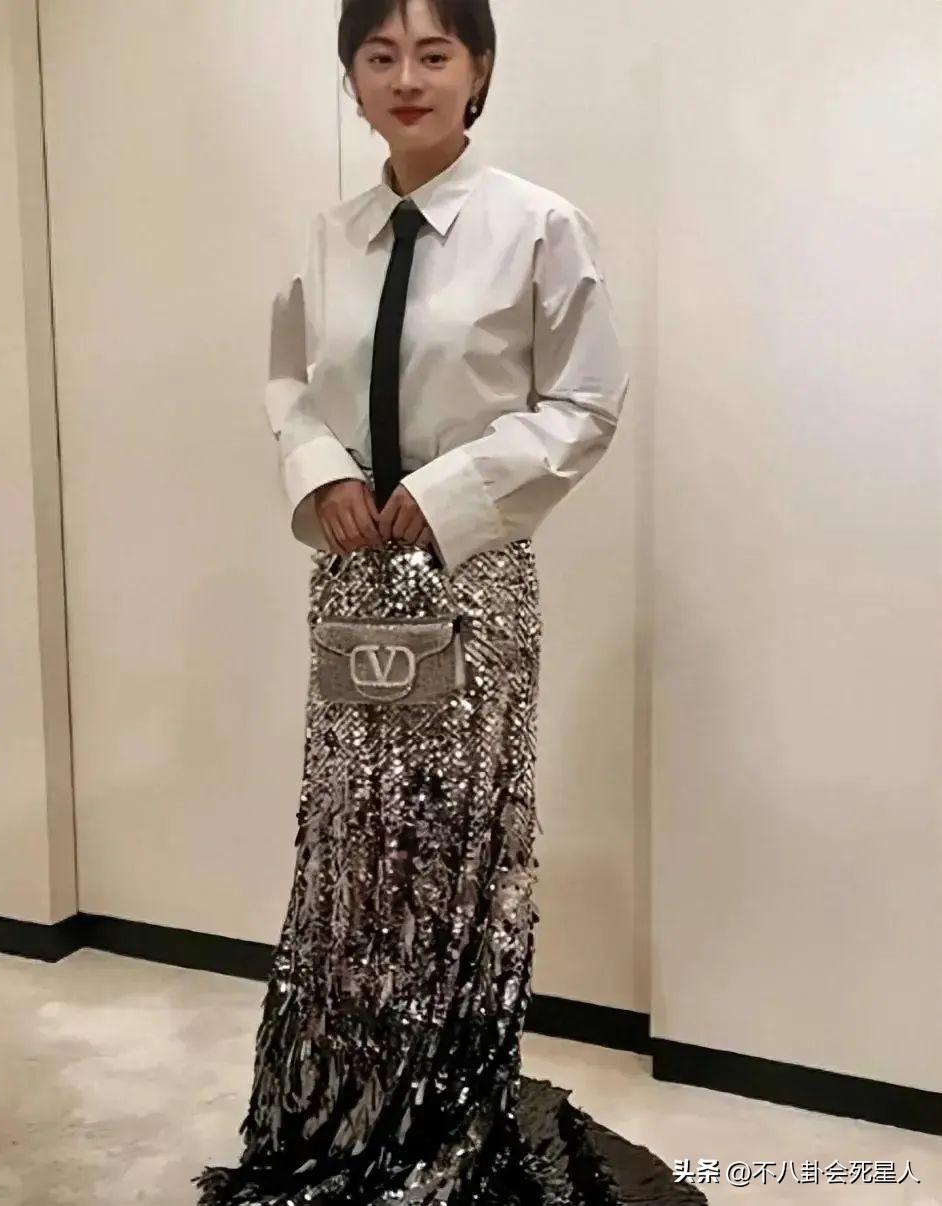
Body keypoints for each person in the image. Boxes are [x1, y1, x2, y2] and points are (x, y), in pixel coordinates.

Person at [194, 1, 706, 1203]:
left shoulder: (536, 226)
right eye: (378, 56)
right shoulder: (330, 237)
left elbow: (584, 401)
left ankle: (436, 1117)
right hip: (353, 573)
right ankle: (341, 1109)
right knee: (352, 850)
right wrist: (319, 472)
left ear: (478, 69)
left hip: (471, 579)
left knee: (447, 848)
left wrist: (445, 491)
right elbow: (289, 383)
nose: (406, 77)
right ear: (351, 79)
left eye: (433, 53)